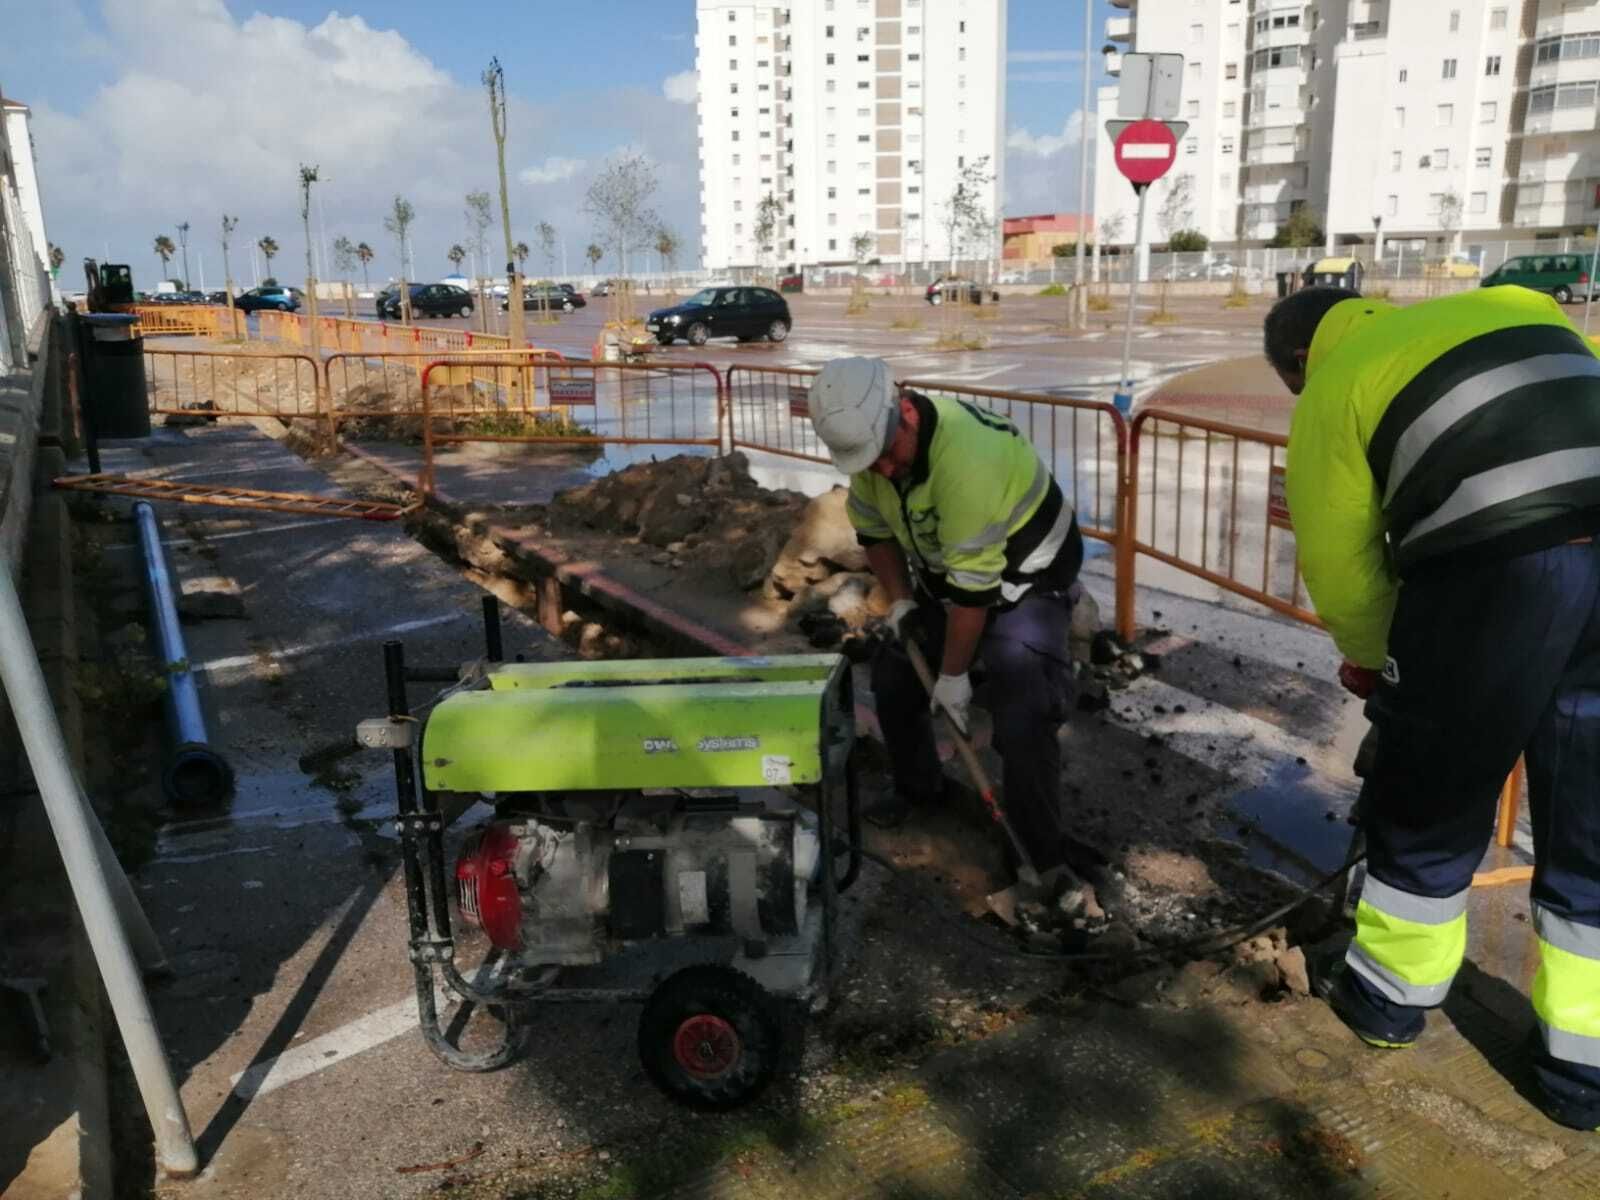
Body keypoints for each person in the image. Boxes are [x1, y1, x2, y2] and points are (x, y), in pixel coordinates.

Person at [1265, 282, 1600, 1132]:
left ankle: (1386, 1000)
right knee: (1594, 815)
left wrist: (1386, 672)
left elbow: (1342, 568)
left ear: (1302, 362)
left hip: (1502, 571)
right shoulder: (1514, 312)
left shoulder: (1337, 384)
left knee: (1435, 792)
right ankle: (1581, 1073)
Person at [805, 355, 1085, 883]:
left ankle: (1043, 860)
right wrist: (903, 600)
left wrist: (954, 678)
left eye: (887, 454)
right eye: (870, 463)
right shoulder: (875, 460)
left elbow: (974, 595)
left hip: (1030, 575)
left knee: (1024, 708)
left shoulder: (968, 464)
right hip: (953, 570)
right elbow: (875, 534)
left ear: (905, 411)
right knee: (895, 674)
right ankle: (920, 789)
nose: (883, 470)